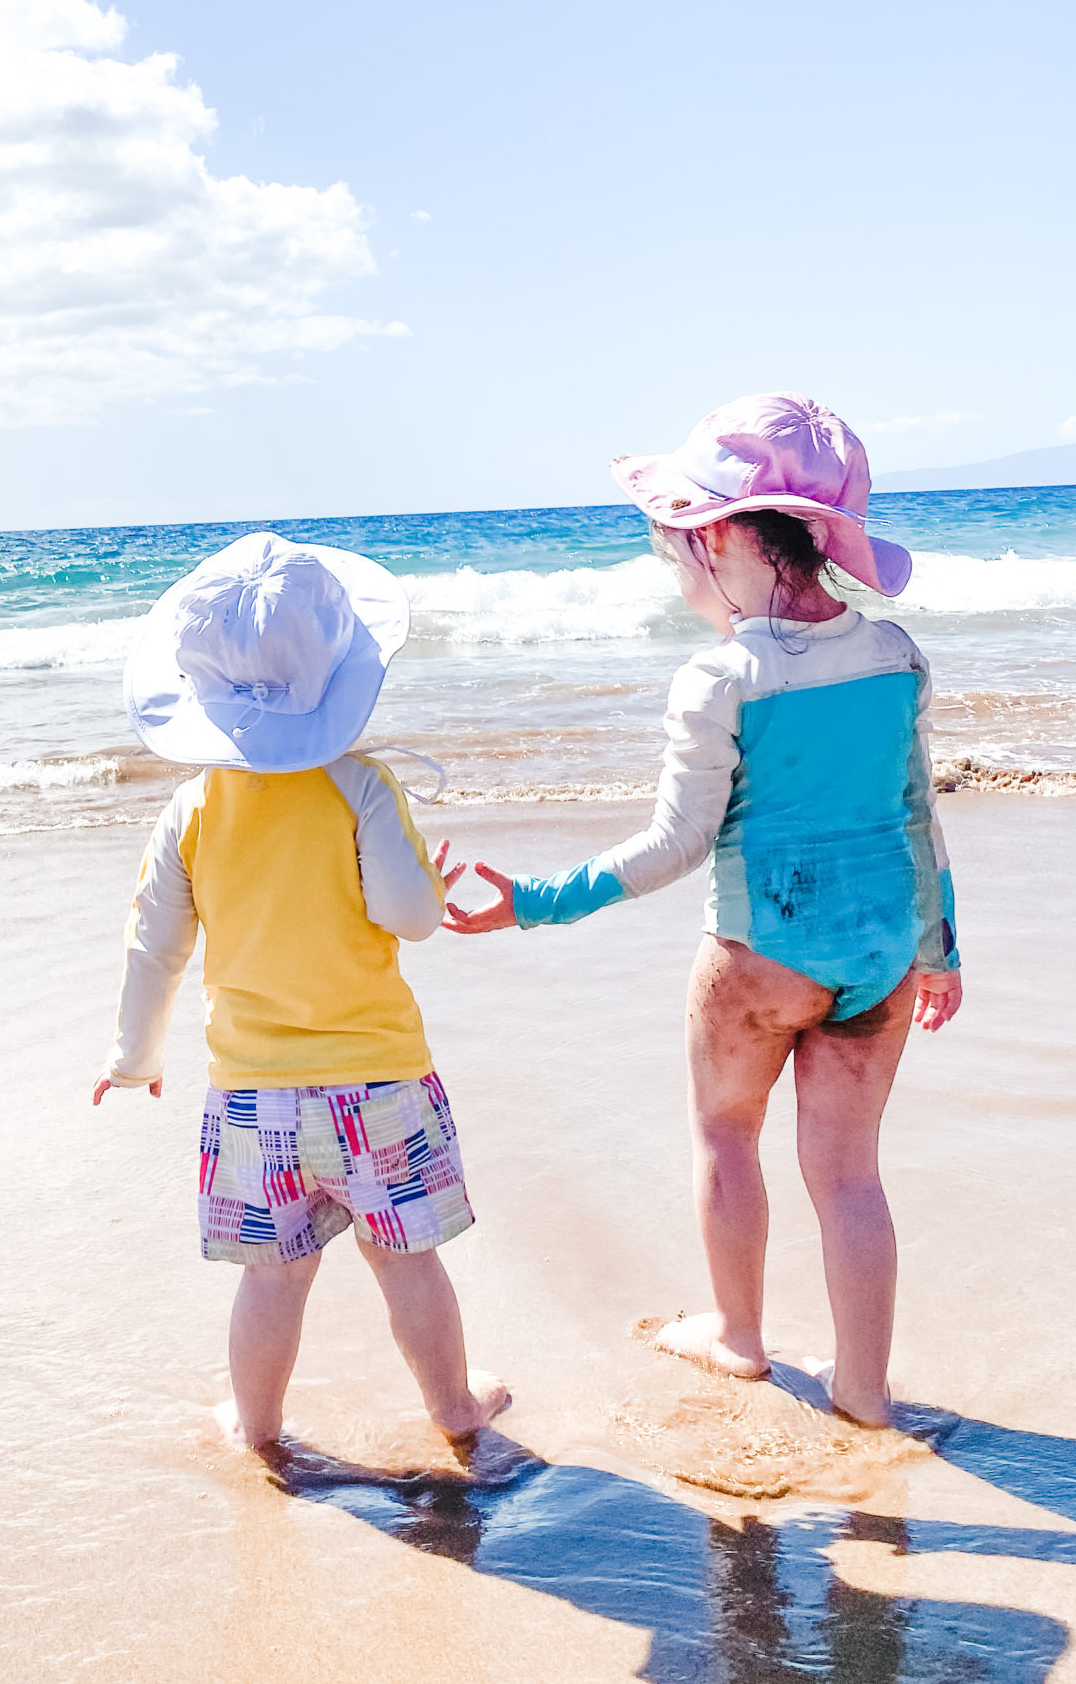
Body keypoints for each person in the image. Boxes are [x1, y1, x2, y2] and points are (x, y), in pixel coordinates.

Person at [444, 394, 962, 1429]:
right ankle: (865, 1390)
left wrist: (535, 903)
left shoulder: (721, 677)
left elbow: (677, 846)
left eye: (672, 546)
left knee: (727, 1132)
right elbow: (917, 814)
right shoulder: (897, 654)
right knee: (850, 1175)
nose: (672, 570)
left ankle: (738, 1336)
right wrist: (941, 948)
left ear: (720, 533)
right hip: (886, 948)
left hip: (762, 953)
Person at [95, 531, 510, 1453]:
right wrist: (428, 884)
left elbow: (154, 944)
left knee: (273, 1279)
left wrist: (134, 1059)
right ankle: (454, 1409)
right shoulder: (359, 785)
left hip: (252, 1095)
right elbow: (410, 916)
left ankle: (258, 1426)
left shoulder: (196, 806)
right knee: (407, 1263)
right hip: (378, 1084)